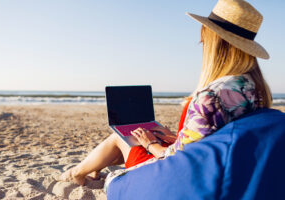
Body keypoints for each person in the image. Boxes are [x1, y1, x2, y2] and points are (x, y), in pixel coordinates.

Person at [60, 0, 272, 186]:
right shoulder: (254, 89)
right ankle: (88, 168)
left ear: (216, 44)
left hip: (181, 176)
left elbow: (177, 157)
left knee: (121, 137)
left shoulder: (212, 96)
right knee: (138, 137)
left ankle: (76, 172)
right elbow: (213, 138)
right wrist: (176, 137)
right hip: (219, 167)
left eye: (204, 41)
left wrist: (152, 144)